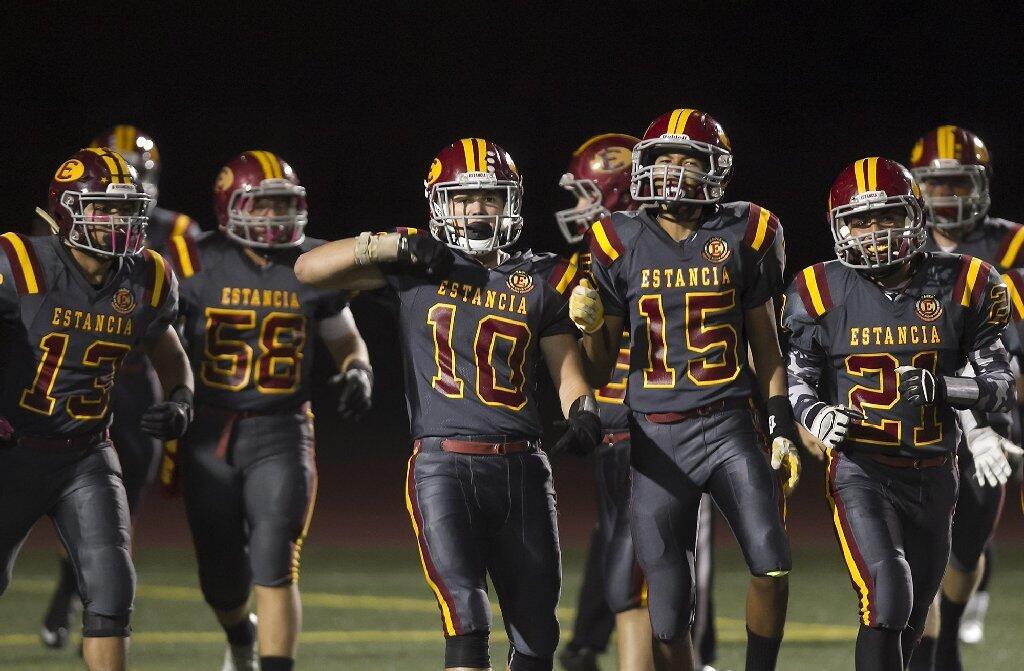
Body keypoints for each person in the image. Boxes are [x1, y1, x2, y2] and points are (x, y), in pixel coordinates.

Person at [294, 137, 603, 671]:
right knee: (466, 614)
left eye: (489, 197)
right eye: (465, 198)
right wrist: (387, 247)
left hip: (523, 465)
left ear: (510, 202)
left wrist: (584, 412)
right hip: (444, 463)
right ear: (441, 203)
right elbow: (308, 268)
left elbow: (569, 372)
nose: (478, 210)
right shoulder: (419, 263)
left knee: (537, 630)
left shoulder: (542, 277)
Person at [572, 109, 799, 671]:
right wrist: (592, 323)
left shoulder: (747, 231)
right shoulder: (614, 238)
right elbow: (600, 373)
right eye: (665, 159)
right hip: (653, 437)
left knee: (771, 562)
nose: (675, 170)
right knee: (669, 614)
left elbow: (766, 347)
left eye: (689, 159)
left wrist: (780, 424)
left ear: (714, 170)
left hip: (728, 426)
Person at [784, 157, 1015, 670]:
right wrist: (814, 414)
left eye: (885, 217)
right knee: (887, 600)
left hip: (935, 473)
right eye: (858, 221)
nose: (872, 233)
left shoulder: (965, 280)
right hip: (863, 471)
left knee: (912, 617)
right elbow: (799, 377)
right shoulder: (819, 288)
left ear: (913, 216)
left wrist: (945, 388)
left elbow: (1000, 386)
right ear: (838, 227)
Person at [164, 150, 372, 671]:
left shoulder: (312, 265)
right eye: (262, 206)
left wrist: (357, 370)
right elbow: (155, 341)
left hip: (283, 430)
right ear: (230, 206)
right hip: (209, 431)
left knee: (275, 562)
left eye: (284, 205)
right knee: (221, 577)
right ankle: (239, 634)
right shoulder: (190, 261)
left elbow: (346, 338)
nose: (275, 218)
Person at [0, 148, 194, 671]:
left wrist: (180, 398)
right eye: (106, 209)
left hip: (87, 454)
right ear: (67, 210)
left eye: (128, 209)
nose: (121, 222)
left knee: (111, 591)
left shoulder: (148, 276)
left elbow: (169, 350)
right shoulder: (19, 261)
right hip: (12, 450)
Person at [907, 125, 1024, 670]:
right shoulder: (898, 239)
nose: (945, 197)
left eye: (957, 185)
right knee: (919, 543)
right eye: (935, 186)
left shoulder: (1012, 244)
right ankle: (932, 650)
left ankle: (948, 632)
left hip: (991, 403)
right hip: (919, 407)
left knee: (968, 543)